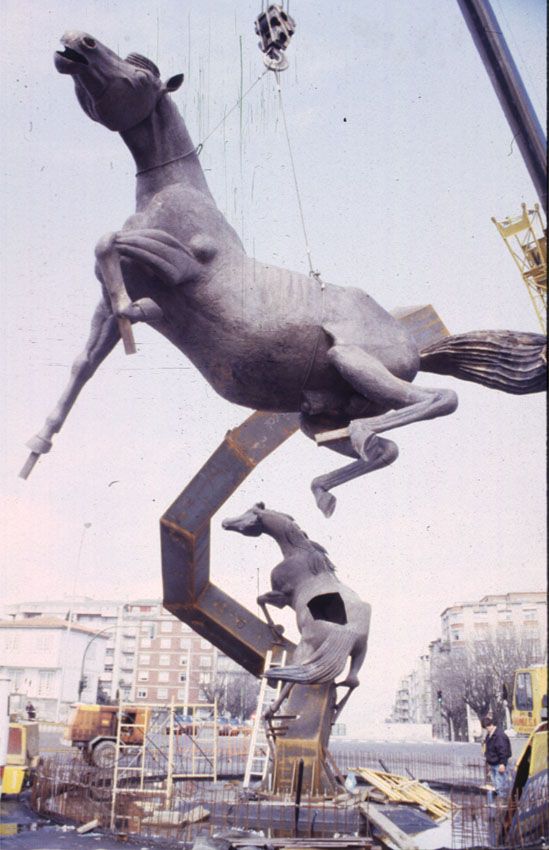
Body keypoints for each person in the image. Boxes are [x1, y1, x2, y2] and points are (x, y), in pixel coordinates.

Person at [482, 715, 512, 795]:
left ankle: (503, 804)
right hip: (493, 764)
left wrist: (502, 764)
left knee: (501, 787)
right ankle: (501, 802)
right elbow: (488, 750)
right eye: (485, 728)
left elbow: (503, 751)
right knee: (497, 787)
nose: (486, 729)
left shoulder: (499, 735)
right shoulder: (489, 735)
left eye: (487, 727)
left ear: (491, 725)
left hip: (499, 764)